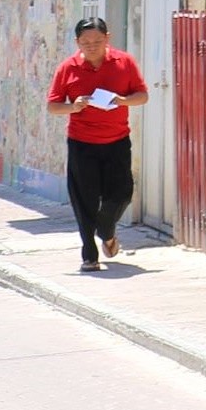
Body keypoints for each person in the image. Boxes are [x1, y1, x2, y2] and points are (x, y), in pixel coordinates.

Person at [45, 15, 147, 271]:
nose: (91, 46)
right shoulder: (67, 68)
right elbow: (53, 106)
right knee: (84, 199)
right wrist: (74, 106)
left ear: (107, 38)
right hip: (82, 143)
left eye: (97, 41)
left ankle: (106, 230)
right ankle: (89, 253)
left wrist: (122, 101)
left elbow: (142, 95)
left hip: (117, 141)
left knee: (122, 192)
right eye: (85, 42)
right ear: (77, 42)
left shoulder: (124, 62)